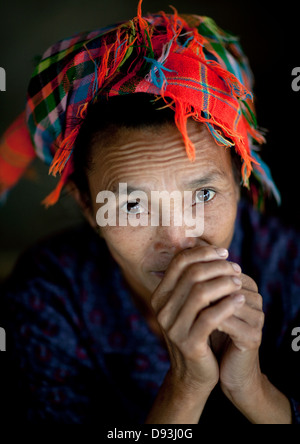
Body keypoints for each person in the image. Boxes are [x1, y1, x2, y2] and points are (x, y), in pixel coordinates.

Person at [0, 0, 299, 424]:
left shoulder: (291, 267)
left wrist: (250, 389)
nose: (178, 238)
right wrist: (187, 387)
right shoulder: (45, 298)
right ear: (88, 208)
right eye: (133, 205)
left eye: (205, 195)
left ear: (240, 182)